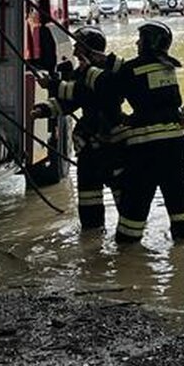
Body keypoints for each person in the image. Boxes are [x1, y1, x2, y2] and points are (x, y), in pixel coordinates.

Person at [113, 20, 184, 245]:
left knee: (133, 212)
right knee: (182, 208)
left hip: (145, 151)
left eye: (140, 39)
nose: (136, 42)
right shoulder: (168, 66)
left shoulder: (131, 69)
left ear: (149, 43)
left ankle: (127, 259)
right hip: (177, 148)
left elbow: (109, 88)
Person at [35, 27, 126, 230]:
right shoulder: (81, 73)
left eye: (78, 46)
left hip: (112, 147)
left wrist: (53, 84)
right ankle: (93, 244)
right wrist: (44, 109)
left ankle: (128, 245)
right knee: (88, 206)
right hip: (89, 149)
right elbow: (70, 102)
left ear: (88, 49)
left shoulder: (109, 75)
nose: (74, 51)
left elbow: (86, 94)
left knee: (126, 206)